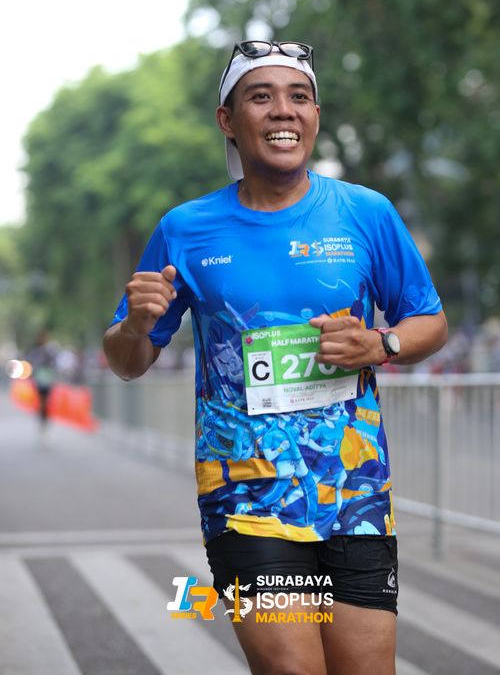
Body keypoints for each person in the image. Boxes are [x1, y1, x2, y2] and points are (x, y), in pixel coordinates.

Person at [103, 40, 448, 675]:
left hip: (355, 492)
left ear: (315, 116)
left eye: (299, 97)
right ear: (228, 120)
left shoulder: (365, 213)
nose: (282, 111)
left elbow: (430, 321)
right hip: (245, 497)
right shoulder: (185, 229)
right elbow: (128, 360)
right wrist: (138, 324)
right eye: (260, 97)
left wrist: (383, 343)